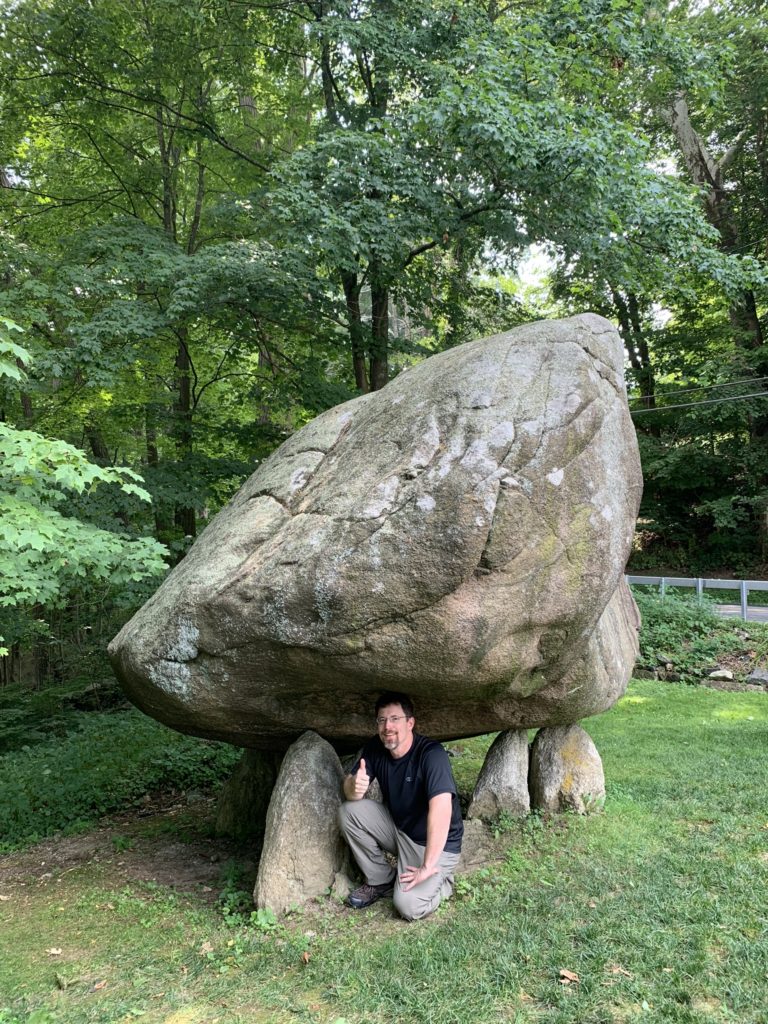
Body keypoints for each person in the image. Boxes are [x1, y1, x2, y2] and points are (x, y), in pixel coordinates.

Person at [339, 690, 463, 921]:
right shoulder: (375, 748)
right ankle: (381, 879)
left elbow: (442, 810)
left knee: (408, 906)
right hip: (400, 831)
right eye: (382, 720)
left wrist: (427, 866)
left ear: (410, 723)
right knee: (349, 811)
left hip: (433, 844)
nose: (388, 726)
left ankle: (442, 882)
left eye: (395, 719)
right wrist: (353, 786)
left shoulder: (431, 755)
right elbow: (349, 789)